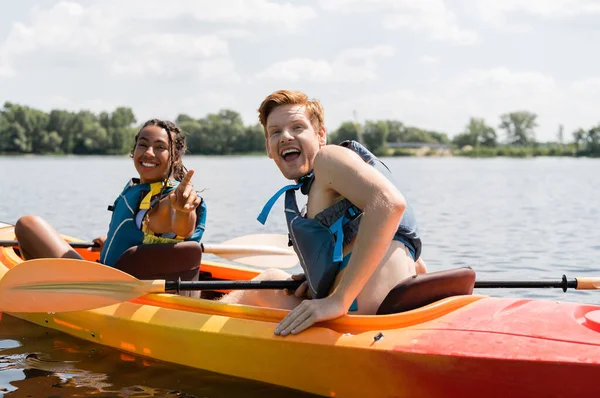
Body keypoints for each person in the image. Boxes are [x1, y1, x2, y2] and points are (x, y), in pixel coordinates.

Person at [220, 90, 426, 336]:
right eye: (275, 132)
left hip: (358, 321)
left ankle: (198, 335)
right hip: (394, 313)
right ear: (268, 147)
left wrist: (338, 299)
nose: (285, 136)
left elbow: (390, 203)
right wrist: (322, 281)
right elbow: (416, 266)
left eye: (297, 127)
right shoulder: (335, 183)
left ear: (320, 135)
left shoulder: (328, 159)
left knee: (264, 283)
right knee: (280, 283)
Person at [15, 119, 207, 269]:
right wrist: (113, 243)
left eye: (160, 147)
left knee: (28, 224)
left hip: (113, 291)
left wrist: (182, 211)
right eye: (143, 144)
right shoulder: (143, 191)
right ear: (134, 150)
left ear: (175, 157)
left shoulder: (170, 199)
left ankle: (38, 295)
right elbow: (151, 241)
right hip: (127, 281)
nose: (149, 152)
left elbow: (181, 228)